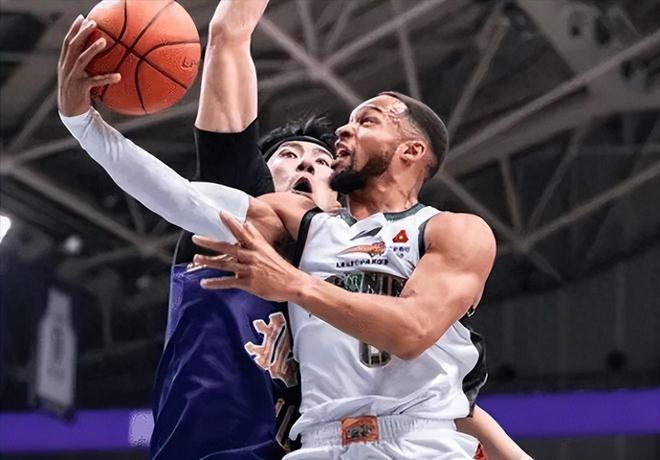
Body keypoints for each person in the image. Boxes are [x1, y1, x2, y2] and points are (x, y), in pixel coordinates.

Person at [57, 8, 531, 460]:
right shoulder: (301, 223)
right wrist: (83, 125)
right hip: (316, 444)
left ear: (411, 151)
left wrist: (294, 285)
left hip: (418, 443)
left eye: (366, 121)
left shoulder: (452, 229)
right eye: (347, 122)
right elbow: (184, 198)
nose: (343, 131)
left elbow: (413, 333)